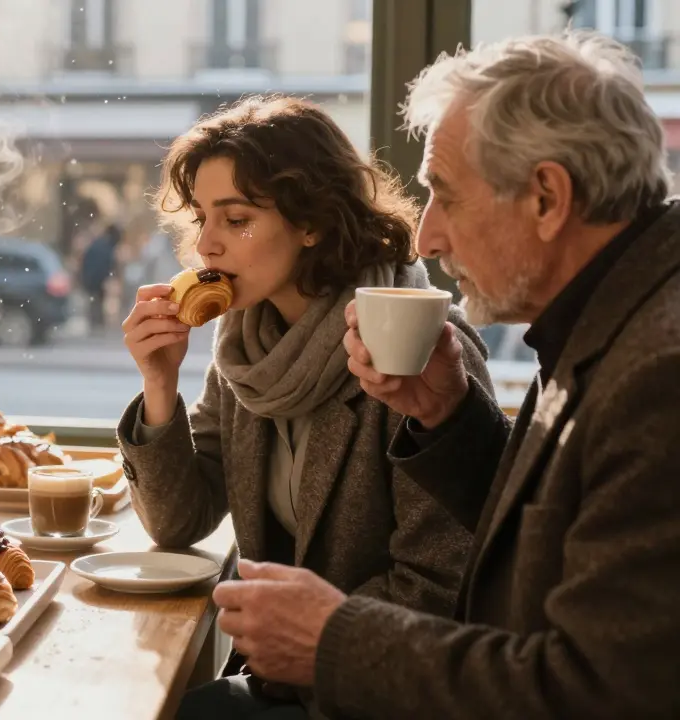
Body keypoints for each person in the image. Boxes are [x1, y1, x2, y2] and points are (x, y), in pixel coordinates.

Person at [215, 30, 680, 719]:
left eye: (445, 196)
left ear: (547, 199)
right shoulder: (611, 319)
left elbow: (596, 693)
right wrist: (452, 420)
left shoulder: (659, 375)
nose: (427, 236)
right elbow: (549, 535)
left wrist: (332, 639)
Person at [116, 95, 494, 718]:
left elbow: (442, 582)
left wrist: (307, 642)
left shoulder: (412, 344)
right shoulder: (244, 341)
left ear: (310, 223)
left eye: (236, 220)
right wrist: (160, 385)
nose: (206, 246)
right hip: (279, 677)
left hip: (381, 690)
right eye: (201, 219)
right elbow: (179, 522)